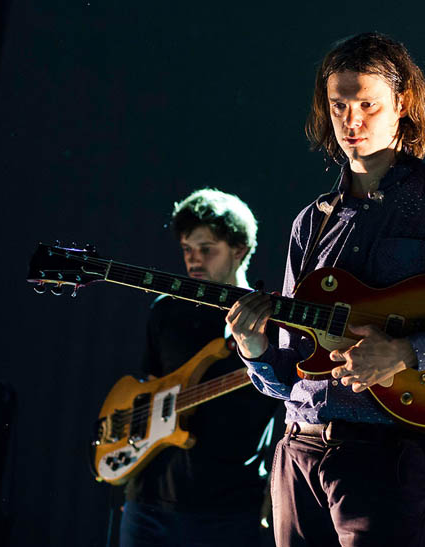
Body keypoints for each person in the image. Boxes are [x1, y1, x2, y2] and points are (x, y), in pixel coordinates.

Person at [226, 32, 425, 547]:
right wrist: (255, 350)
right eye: (339, 106)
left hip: (387, 458)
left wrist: (406, 352)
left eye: (367, 105)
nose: (351, 121)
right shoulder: (311, 223)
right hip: (297, 454)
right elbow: (289, 379)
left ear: (403, 105)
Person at [120, 188, 280, 547]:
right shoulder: (165, 310)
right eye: (188, 250)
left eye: (207, 249)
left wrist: (275, 493)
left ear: (239, 250)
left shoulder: (267, 323)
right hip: (148, 504)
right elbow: (147, 386)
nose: (194, 260)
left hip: (228, 510)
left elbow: (288, 416)